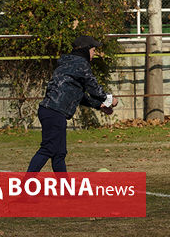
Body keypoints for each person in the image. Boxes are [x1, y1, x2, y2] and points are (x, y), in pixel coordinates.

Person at [27, 35, 118, 172]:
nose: (94, 53)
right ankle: (25, 187)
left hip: (50, 111)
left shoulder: (68, 64)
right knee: (48, 149)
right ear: (86, 50)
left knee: (59, 154)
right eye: (93, 50)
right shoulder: (81, 64)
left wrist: (99, 105)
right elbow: (92, 86)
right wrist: (109, 99)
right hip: (54, 112)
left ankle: (65, 191)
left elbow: (78, 94)